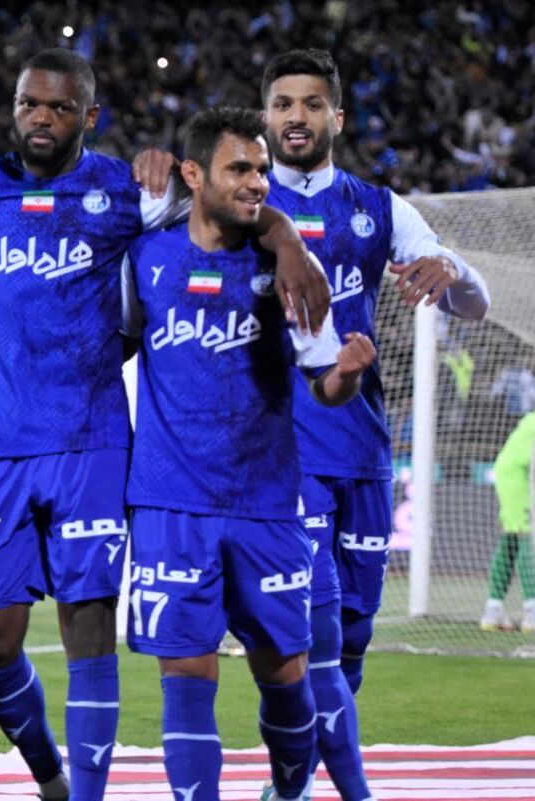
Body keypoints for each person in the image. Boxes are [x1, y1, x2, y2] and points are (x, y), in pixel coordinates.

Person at [0, 49, 330, 801]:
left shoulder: (127, 189)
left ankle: (84, 795)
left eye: (58, 107)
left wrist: (287, 239)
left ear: (88, 116)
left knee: (88, 630)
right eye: (28, 104)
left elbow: (231, 197)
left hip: (93, 440)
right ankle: (47, 769)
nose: (40, 118)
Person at [122, 106, 375, 801]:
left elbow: (323, 386)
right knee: (186, 677)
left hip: (267, 505)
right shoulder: (145, 258)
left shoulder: (290, 269)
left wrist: (347, 373)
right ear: (194, 174)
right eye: (240, 168)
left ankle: (288, 792)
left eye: (261, 169)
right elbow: (118, 342)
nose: (257, 182)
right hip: (171, 504)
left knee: (287, 681)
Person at [259, 48, 491, 801]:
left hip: (360, 444)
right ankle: (298, 785)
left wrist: (453, 269)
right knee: (313, 631)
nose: (297, 117)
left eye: (311, 104)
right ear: (265, 117)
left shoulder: (379, 207)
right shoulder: (243, 201)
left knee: (354, 634)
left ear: (337, 117)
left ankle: (296, 771)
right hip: (281, 449)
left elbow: (473, 304)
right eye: (283, 104)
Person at [480, 411, 535, 632]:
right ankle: (532, 611)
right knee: (527, 536)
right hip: (518, 477)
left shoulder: (530, 420)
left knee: (511, 540)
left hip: (511, 473)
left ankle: (493, 611)